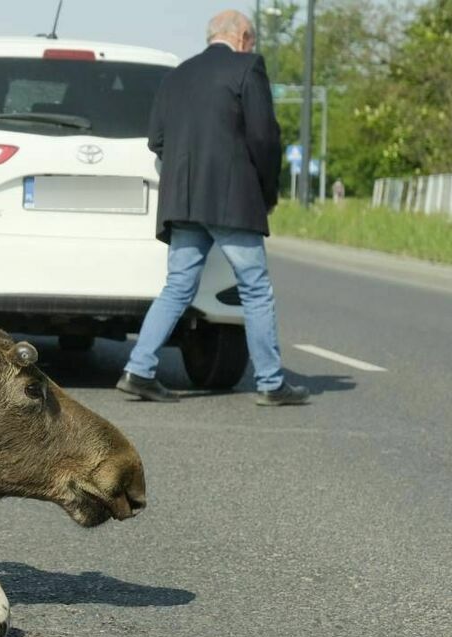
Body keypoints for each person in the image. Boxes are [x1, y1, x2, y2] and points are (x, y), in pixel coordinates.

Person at [117, 10, 309, 406]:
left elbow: (157, 141)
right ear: (241, 37)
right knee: (255, 289)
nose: (252, 48)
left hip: (183, 201)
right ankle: (272, 383)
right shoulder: (247, 67)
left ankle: (139, 369)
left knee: (177, 288)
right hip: (231, 201)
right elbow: (264, 138)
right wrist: (266, 191)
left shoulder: (177, 75)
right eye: (251, 41)